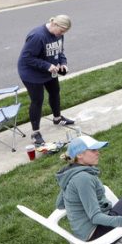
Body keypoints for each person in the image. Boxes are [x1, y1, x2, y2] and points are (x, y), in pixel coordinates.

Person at [18, 14, 75, 146]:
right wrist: (47, 65)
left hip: (50, 70)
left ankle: (57, 118)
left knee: (55, 92)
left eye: (64, 32)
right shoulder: (37, 36)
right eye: (61, 31)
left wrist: (63, 63)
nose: (61, 34)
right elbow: (27, 58)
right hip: (31, 73)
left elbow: (60, 51)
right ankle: (35, 133)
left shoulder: (58, 34)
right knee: (37, 100)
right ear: (54, 24)